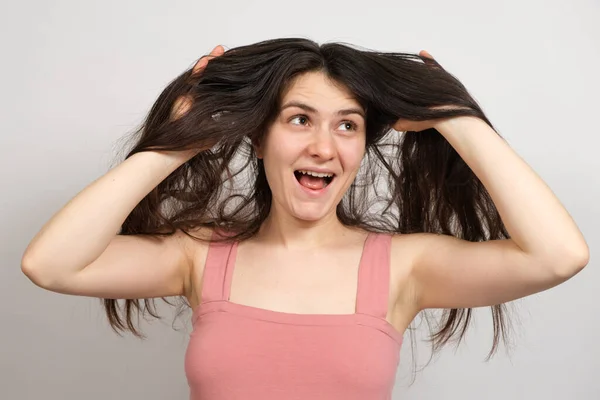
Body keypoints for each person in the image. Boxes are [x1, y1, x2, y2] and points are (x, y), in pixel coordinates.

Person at [21, 39, 589, 399]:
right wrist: (179, 142)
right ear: (258, 138)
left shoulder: (402, 267)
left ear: (364, 147)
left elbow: (558, 255)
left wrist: (456, 116)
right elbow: (50, 265)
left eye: (347, 126)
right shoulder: (199, 255)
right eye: (299, 119)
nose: (323, 146)